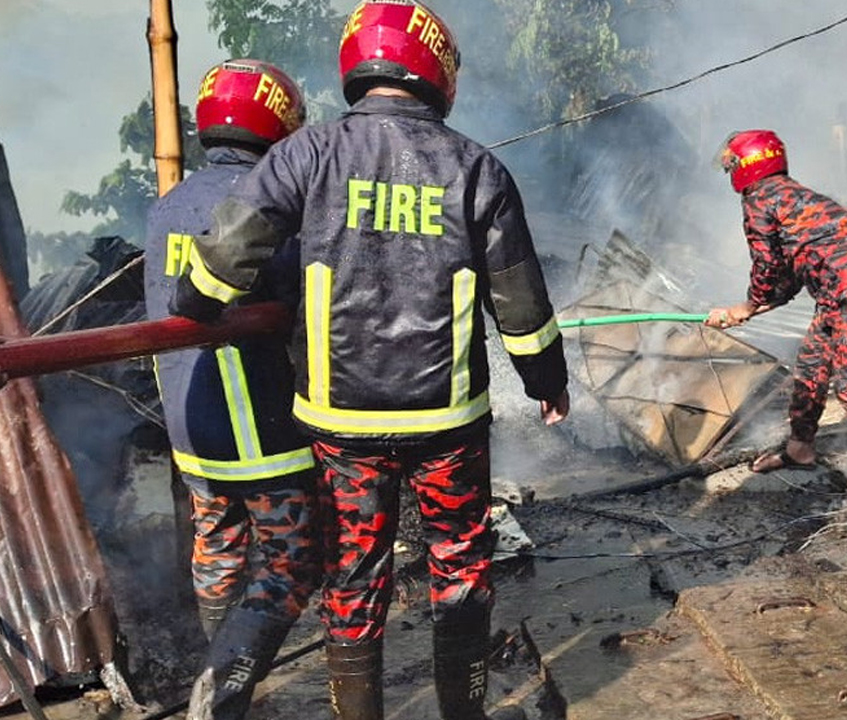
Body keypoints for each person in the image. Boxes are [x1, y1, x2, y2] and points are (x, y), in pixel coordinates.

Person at [170, 3, 568, 719]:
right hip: (447, 422)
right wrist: (547, 380)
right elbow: (520, 301)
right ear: (437, 70)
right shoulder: (477, 167)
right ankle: (464, 708)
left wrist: (194, 304)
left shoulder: (305, 153)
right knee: (459, 565)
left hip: (341, 422)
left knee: (352, 578)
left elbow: (223, 263)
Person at [143, 59, 323, 720]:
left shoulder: (166, 207)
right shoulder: (270, 200)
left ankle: (221, 670)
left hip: (192, 431)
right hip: (262, 428)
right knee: (289, 568)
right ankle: (221, 692)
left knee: (219, 553)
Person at [707, 129, 847, 515]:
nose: (729, 174)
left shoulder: (759, 199)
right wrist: (748, 308)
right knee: (811, 368)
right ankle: (799, 449)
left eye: (730, 165)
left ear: (746, 165)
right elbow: (787, 278)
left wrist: (747, 305)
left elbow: (767, 267)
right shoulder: (791, 194)